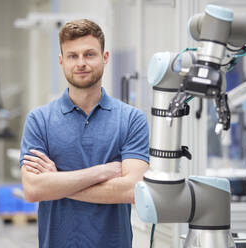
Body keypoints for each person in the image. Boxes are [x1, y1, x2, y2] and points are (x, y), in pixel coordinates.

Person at [19, 19, 149, 248]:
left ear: (105, 57)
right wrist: (101, 172)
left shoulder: (131, 119)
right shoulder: (39, 120)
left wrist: (57, 182)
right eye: (72, 56)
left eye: (89, 54)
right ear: (61, 61)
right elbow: (33, 189)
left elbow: (133, 190)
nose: (81, 63)